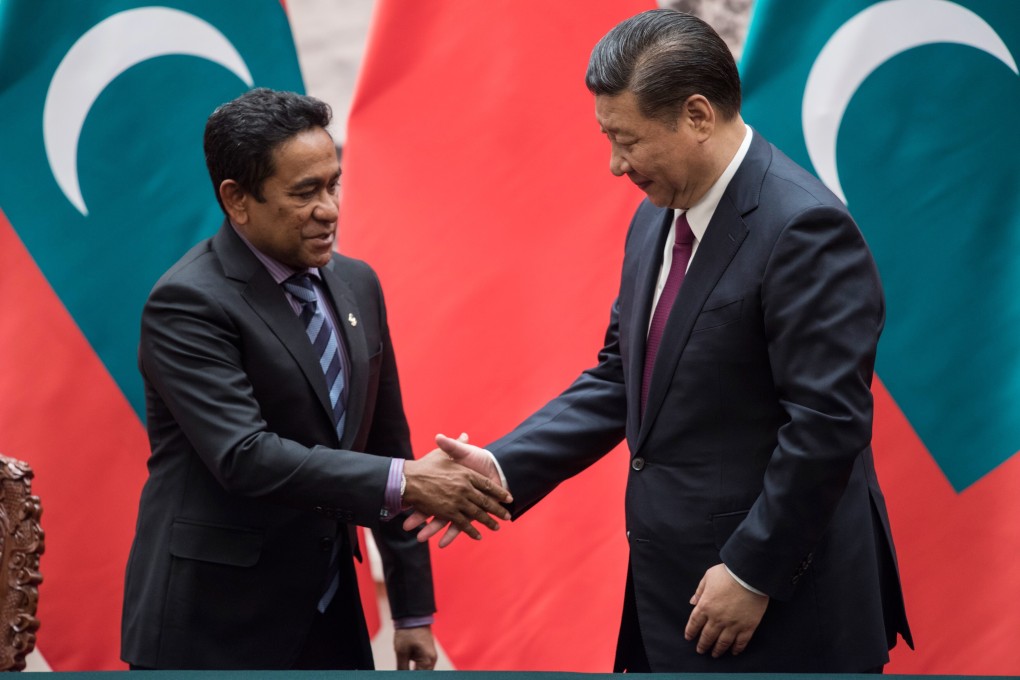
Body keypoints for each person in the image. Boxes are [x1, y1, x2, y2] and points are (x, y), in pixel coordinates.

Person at [410, 9, 912, 673]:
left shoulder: (804, 230)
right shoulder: (656, 221)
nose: (616, 165)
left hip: (776, 603)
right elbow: (623, 376)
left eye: (628, 140)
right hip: (672, 597)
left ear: (698, 115)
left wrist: (753, 570)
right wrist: (502, 466)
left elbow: (826, 428)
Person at [121, 88, 511, 670]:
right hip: (214, 626)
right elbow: (244, 456)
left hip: (330, 618)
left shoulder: (357, 284)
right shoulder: (187, 303)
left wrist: (411, 614)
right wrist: (405, 482)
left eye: (333, 184)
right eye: (305, 193)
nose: (329, 209)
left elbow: (386, 444)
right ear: (237, 200)